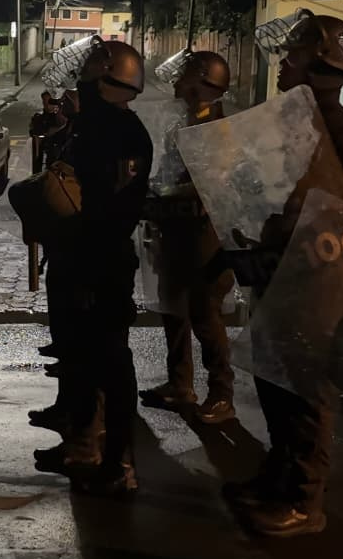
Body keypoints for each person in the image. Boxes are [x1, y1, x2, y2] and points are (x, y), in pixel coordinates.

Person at [224, 10, 343, 537]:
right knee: (275, 384)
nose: (284, 62)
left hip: (317, 281)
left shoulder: (341, 131)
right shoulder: (291, 121)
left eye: (298, 53)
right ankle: (278, 474)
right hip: (277, 273)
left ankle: (305, 500)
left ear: (325, 67)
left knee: (307, 393)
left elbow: (341, 212)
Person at [30, 38, 153, 496]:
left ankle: (119, 463)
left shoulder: (124, 134)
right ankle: (82, 446)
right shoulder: (88, 127)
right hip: (73, 256)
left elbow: (111, 209)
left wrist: (84, 250)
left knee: (110, 365)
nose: (78, 77)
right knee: (78, 360)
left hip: (101, 261)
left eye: (87, 71)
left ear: (108, 78)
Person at [138, 50, 237, 424]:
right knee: (173, 308)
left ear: (202, 84)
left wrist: (163, 193)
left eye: (185, 76)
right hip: (178, 231)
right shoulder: (184, 121)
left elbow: (208, 183)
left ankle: (221, 394)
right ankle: (180, 384)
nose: (177, 81)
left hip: (206, 234)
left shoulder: (218, 129)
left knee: (205, 314)